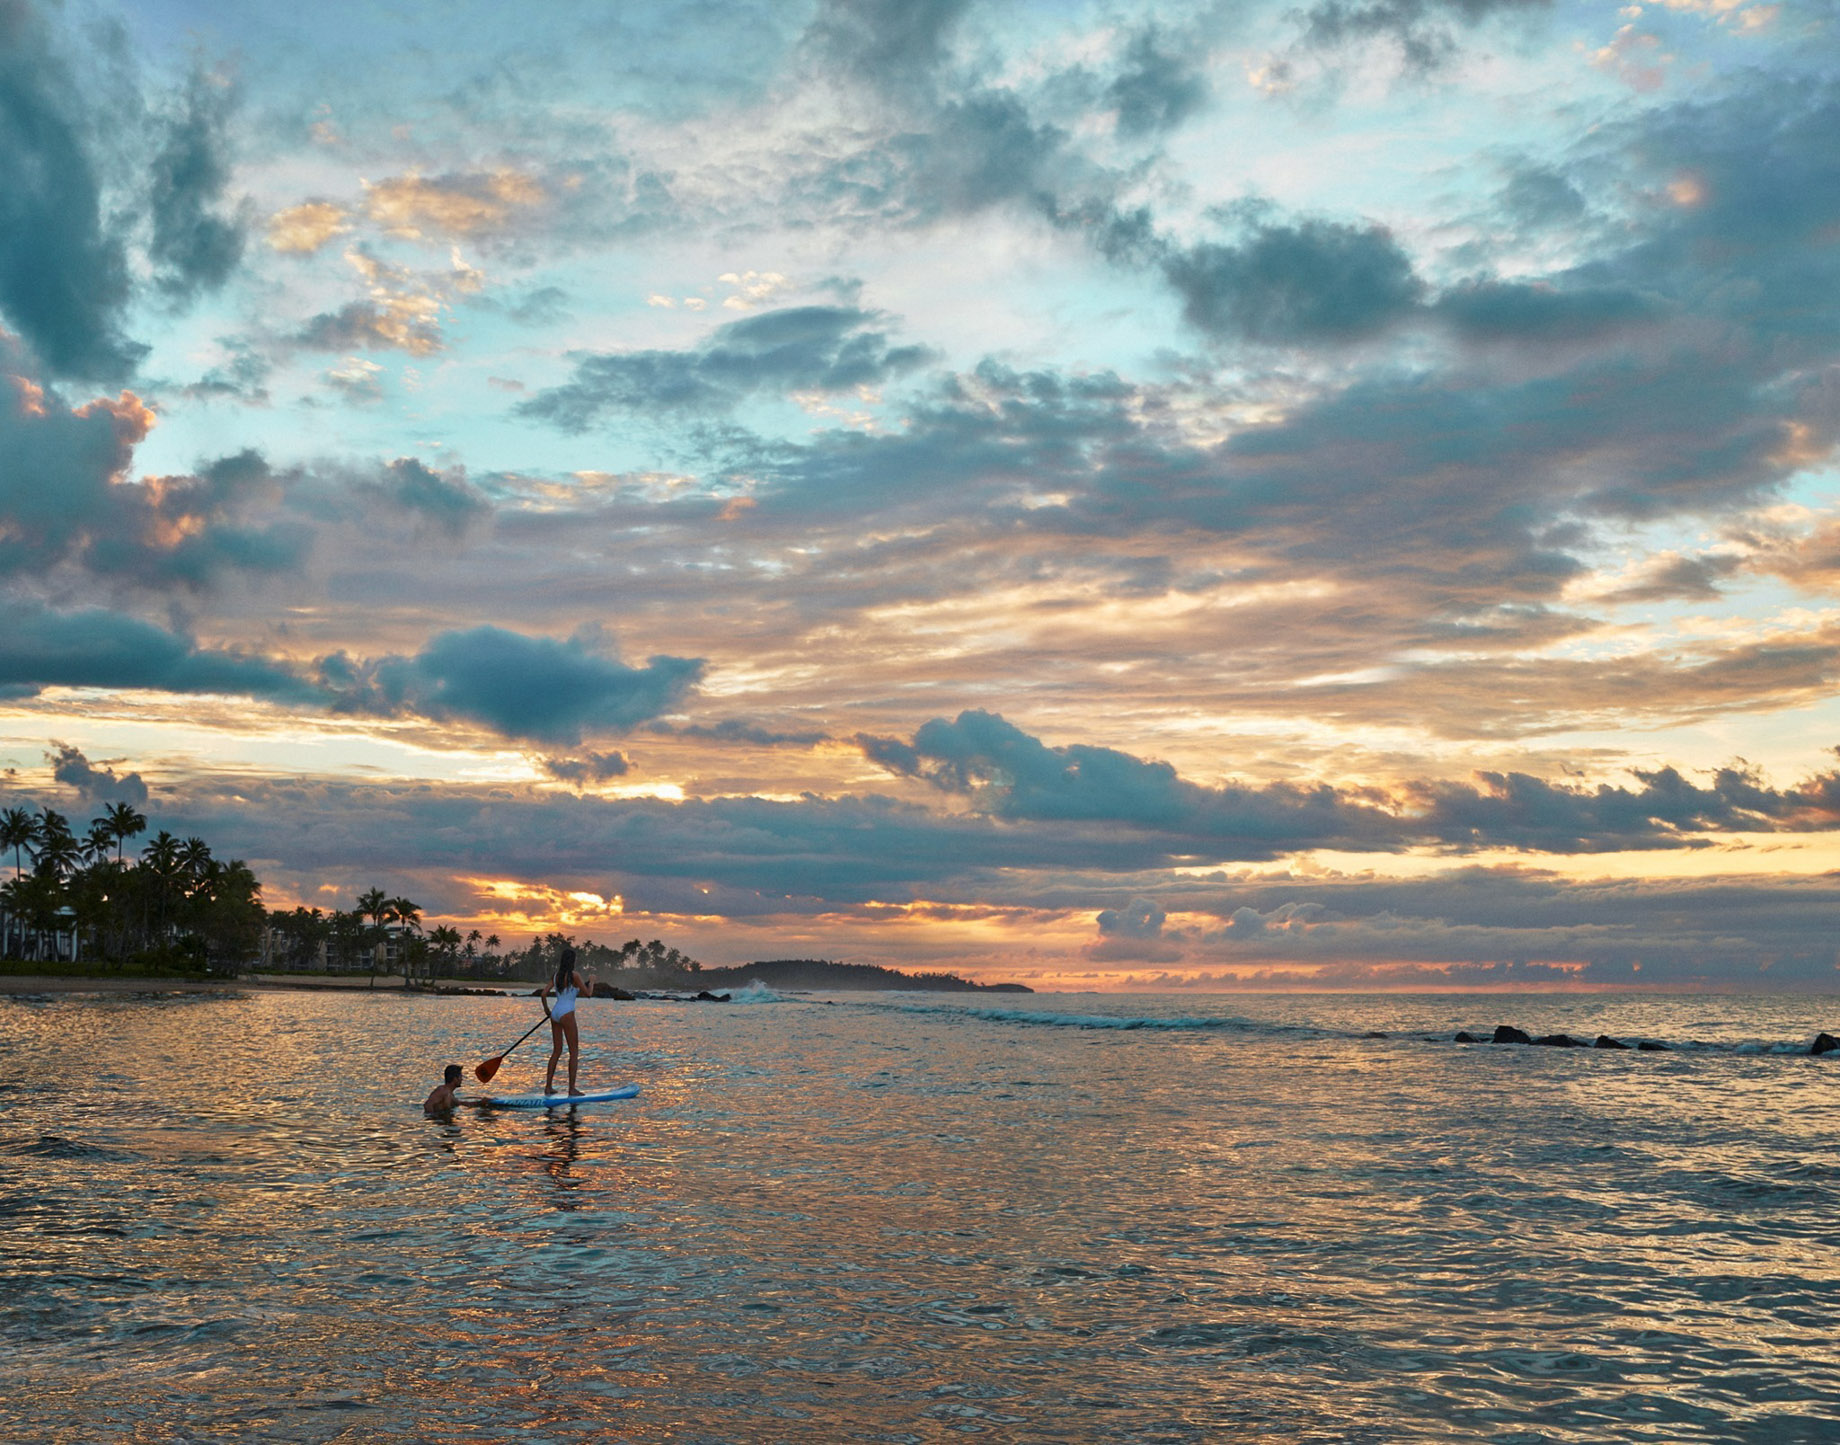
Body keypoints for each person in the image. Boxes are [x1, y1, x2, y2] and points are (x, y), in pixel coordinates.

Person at [539, 945, 595, 1095]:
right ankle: (571, 1089)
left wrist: (547, 1010)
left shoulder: (556, 975)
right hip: (567, 1014)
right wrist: (591, 981)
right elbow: (588, 994)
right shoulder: (575, 975)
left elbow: (544, 994)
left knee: (556, 1051)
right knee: (574, 1052)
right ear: (573, 961)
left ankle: (548, 1087)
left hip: (555, 1013)